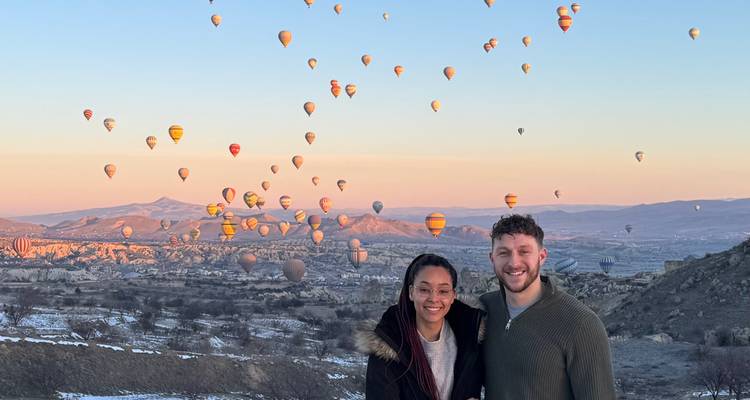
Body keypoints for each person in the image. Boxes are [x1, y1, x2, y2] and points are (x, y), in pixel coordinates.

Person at [481, 214, 616, 399]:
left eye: (524, 251)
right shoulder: (482, 310)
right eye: (503, 253)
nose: (514, 262)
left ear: (542, 256)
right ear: (492, 258)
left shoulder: (580, 324)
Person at [356, 253, 485, 400]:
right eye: (424, 290)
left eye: (443, 291)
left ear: (453, 296)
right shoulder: (388, 349)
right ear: (411, 292)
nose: (434, 299)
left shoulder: (470, 338)